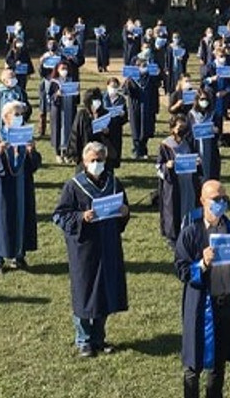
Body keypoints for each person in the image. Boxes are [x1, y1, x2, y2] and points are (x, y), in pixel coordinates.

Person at [175, 181, 230, 398]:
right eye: (215, 199)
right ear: (202, 201)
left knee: (218, 365)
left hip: (225, 303)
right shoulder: (191, 232)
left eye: (224, 199)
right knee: (194, 363)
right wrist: (202, 264)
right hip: (200, 306)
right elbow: (182, 271)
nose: (220, 203)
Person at [52, 142, 130, 357]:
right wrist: (81, 217)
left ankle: (99, 337)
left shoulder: (114, 183)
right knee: (85, 292)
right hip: (85, 248)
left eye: (100, 159)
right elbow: (60, 215)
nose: (97, 164)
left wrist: (124, 211)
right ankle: (83, 339)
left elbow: (123, 210)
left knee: (105, 292)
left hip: (108, 244)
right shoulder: (74, 186)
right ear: (84, 163)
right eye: (92, 160)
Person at [0, 101, 42, 273]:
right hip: (3, 186)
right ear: (5, 117)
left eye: (21, 114)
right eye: (15, 114)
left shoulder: (26, 136)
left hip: (22, 184)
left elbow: (34, 165)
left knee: (22, 216)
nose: (19, 118)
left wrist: (32, 151)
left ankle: (19, 255)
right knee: (2, 219)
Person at [158, 115, 202, 246]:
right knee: (173, 211)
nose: (182, 130)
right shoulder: (165, 145)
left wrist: (198, 163)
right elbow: (158, 167)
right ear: (172, 129)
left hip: (188, 183)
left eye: (184, 127)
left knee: (189, 207)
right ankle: (174, 239)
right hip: (173, 186)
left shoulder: (188, 142)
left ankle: (189, 234)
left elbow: (195, 158)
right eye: (179, 128)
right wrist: (167, 166)